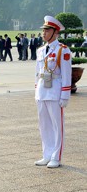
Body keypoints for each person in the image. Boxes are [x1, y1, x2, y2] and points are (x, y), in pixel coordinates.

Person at [34, 15, 72, 168]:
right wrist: (36, 91)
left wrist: (65, 95)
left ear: (55, 32)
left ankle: (56, 156)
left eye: (47, 30)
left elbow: (67, 73)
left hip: (55, 91)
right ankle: (47, 154)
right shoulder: (41, 50)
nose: (44, 33)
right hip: (42, 91)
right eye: (43, 30)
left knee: (57, 125)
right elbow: (37, 73)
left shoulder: (62, 50)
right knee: (44, 125)